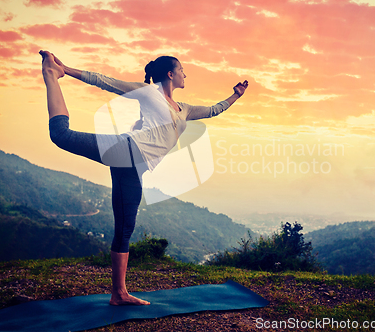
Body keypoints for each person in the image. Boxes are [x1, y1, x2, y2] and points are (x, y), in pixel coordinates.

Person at [39, 50, 248, 306]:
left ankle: (119, 294)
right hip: (126, 149)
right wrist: (66, 69)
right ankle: (51, 74)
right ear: (170, 74)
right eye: (182, 70)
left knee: (125, 228)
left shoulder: (185, 109)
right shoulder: (149, 93)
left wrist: (236, 95)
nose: (185, 74)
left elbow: (215, 110)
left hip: (135, 167)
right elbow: (105, 81)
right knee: (61, 135)